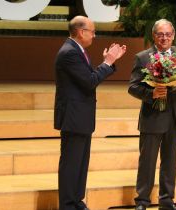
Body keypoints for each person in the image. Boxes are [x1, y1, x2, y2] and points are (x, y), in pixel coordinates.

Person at [54, 15, 126, 210]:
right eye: (92, 32)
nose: (94, 35)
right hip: (74, 116)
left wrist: (107, 63)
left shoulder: (77, 50)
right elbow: (89, 82)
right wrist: (108, 62)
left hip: (81, 117)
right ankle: (68, 205)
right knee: (71, 163)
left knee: (80, 163)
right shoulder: (69, 52)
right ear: (81, 32)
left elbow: (88, 78)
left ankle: (77, 201)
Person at [128, 19, 176, 210]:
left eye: (168, 34)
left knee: (170, 161)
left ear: (173, 35)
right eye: (160, 34)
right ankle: (142, 201)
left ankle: (166, 200)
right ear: (154, 36)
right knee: (147, 162)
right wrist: (151, 94)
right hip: (152, 117)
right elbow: (133, 87)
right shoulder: (143, 57)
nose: (164, 38)